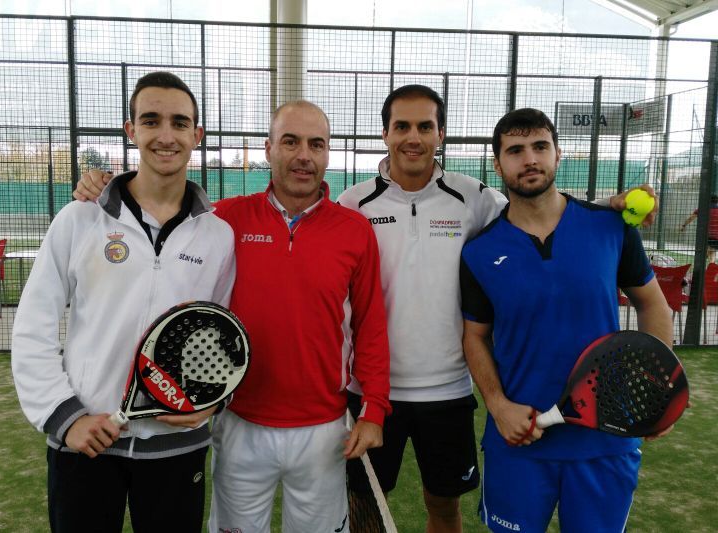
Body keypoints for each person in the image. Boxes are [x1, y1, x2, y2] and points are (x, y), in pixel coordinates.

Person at [74, 100, 391, 533]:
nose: (304, 155)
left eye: (316, 144)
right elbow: (158, 205)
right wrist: (104, 186)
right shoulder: (224, 219)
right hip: (238, 421)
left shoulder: (354, 230)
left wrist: (374, 409)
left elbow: (371, 325)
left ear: (327, 152)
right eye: (290, 142)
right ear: (268, 148)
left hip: (324, 429)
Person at [11, 71, 236, 532]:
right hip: (85, 442)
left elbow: (223, 338)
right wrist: (65, 416)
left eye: (179, 123)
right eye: (151, 120)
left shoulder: (219, 236)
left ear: (197, 135)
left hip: (177, 449)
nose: (166, 135)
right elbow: (33, 326)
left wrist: (211, 403)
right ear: (131, 130)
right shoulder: (79, 219)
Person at [460, 108, 673, 533]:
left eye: (540, 146)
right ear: (498, 164)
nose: (530, 159)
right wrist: (499, 407)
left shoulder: (611, 227)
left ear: (558, 155)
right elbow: (474, 337)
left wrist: (655, 388)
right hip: (519, 438)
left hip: (606, 438)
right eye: (515, 150)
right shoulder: (479, 251)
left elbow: (653, 305)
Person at [338, 85, 504, 533]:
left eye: (425, 126)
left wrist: (608, 209)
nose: (413, 137)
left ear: (440, 134)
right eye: (402, 126)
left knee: (444, 506)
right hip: (369, 391)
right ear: (385, 134)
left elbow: (537, 214)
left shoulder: (474, 198)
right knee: (363, 507)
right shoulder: (352, 204)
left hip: (448, 390)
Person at [680, 194, 718, 263]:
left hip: (706, 236)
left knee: (708, 253)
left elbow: (691, 218)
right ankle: (710, 267)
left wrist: (684, 225)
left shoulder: (703, 208)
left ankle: (704, 266)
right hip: (716, 236)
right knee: (712, 252)